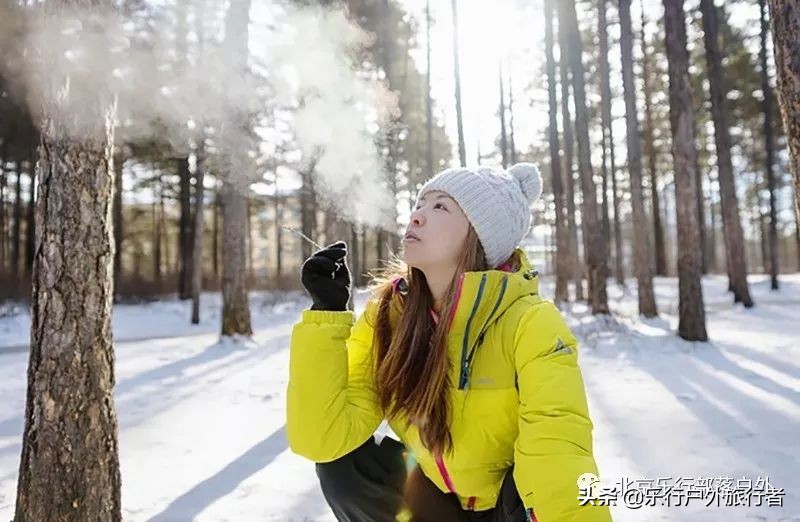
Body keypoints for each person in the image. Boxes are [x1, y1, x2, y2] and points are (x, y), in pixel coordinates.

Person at [287, 163, 612, 522]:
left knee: (532, 486)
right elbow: (322, 438)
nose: (417, 216)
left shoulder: (530, 321)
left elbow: (559, 447)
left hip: (506, 509)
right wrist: (327, 315)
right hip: (432, 501)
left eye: (440, 206)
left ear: (480, 235)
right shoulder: (389, 315)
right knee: (344, 466)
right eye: (420, 203)